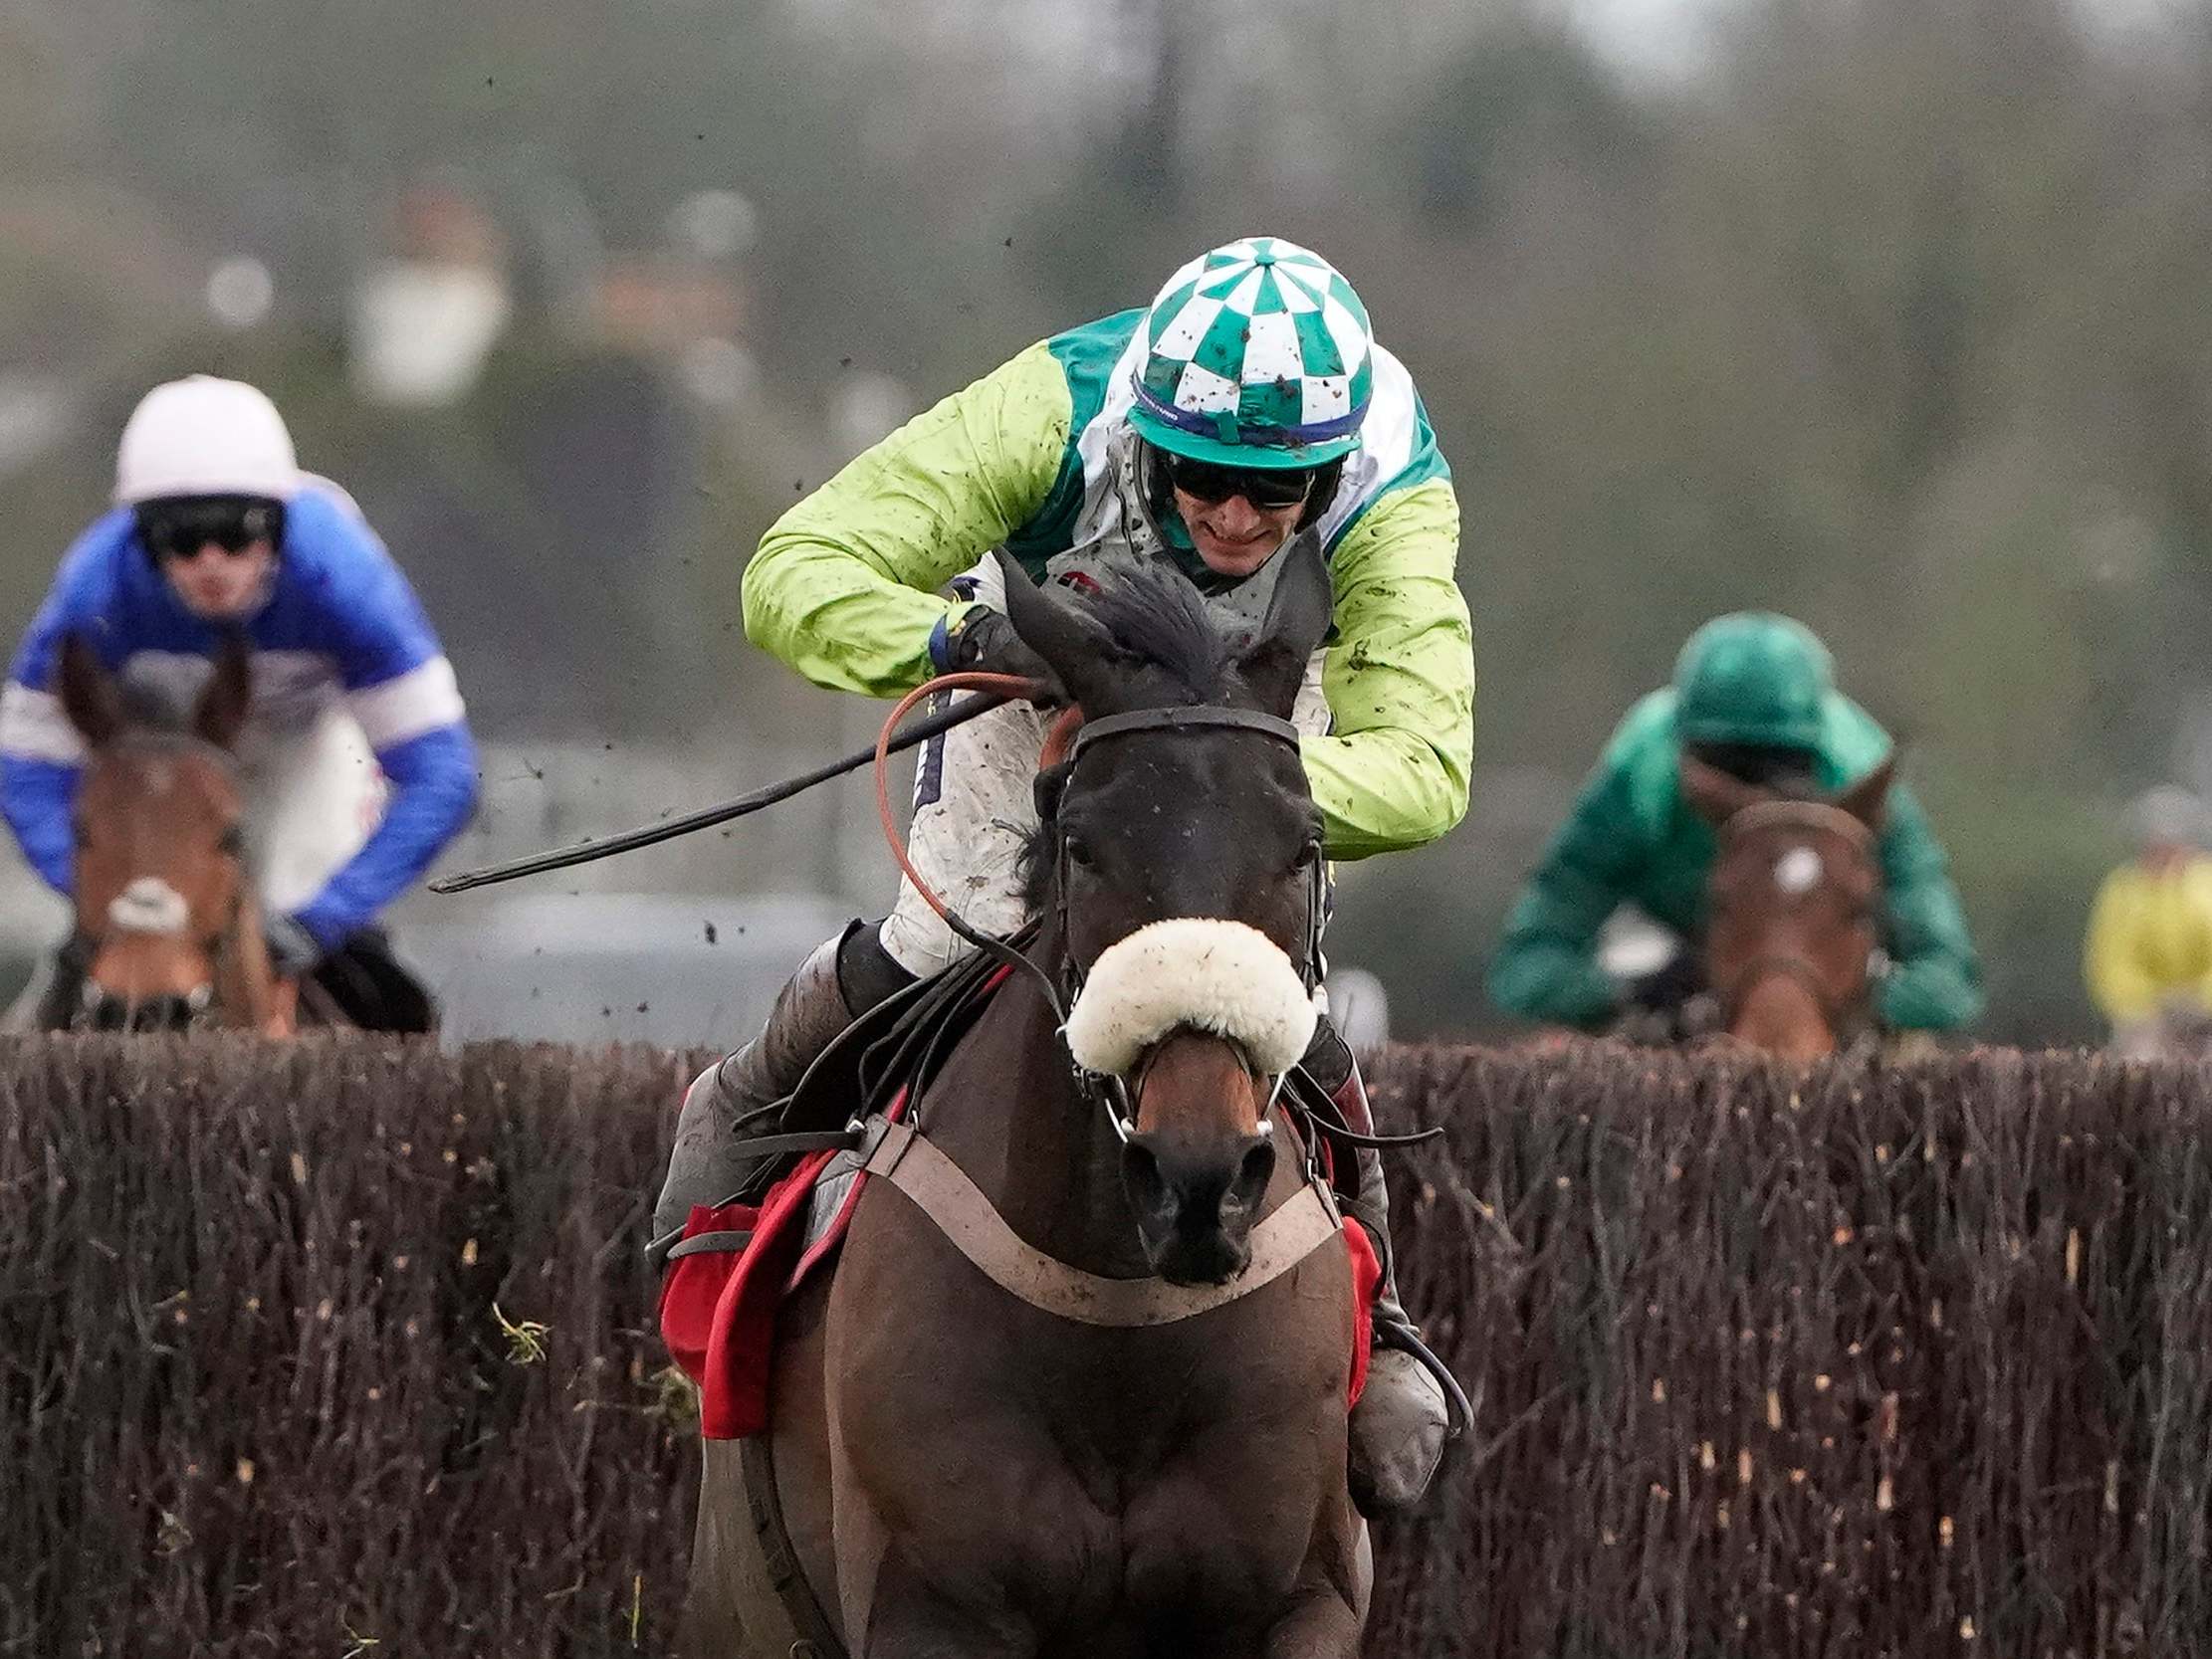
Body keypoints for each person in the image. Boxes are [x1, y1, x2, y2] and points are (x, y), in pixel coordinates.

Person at [657, 236, 1473, 1511]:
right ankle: (748, 1112)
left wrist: (1213, 785)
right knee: (956, 938)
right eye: (1202, 474)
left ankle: (1389, 1317)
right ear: (1143, 430)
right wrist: (956, 636)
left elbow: (1424, 763)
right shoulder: (1050, 404)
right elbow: (790, 573)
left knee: (1268, 982)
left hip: (1254, 724)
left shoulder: (1391, 479)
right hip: (1046, 667)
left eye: (1283, 488)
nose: (1237, 517)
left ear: (1336, 461)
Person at [0, 374, 478, 1029]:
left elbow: (442, 774)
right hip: (155, 766)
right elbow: (25, 766)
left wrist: (323, 919)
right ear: (139, 537)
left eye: (239, 529)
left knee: (296, 906)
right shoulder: (93, 591)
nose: (213, 560)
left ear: (281, 524)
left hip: (302, 753)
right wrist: (95, 888)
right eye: (181, 536)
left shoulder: (344, 581)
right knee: (98, 952)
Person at [1487, 611, 1982, 1036]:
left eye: (1779, 765)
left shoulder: (1862, 775)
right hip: (1675, 967)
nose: (1752, 800)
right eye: (1730, 765)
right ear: (1684, 748)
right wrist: (1629, 994)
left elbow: (1949, 980)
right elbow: (1528, 967)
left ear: (1817, 749)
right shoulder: (1638, 781)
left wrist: (1840, 1001)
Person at [2084, 785, 2212, 1058]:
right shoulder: (2122, 889)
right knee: (2138, 1063)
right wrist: (2148, 1004)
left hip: (2206, 1017)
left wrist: (2199, 1000)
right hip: (2145, 1021)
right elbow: (2110, 962)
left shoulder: (2207, 884)